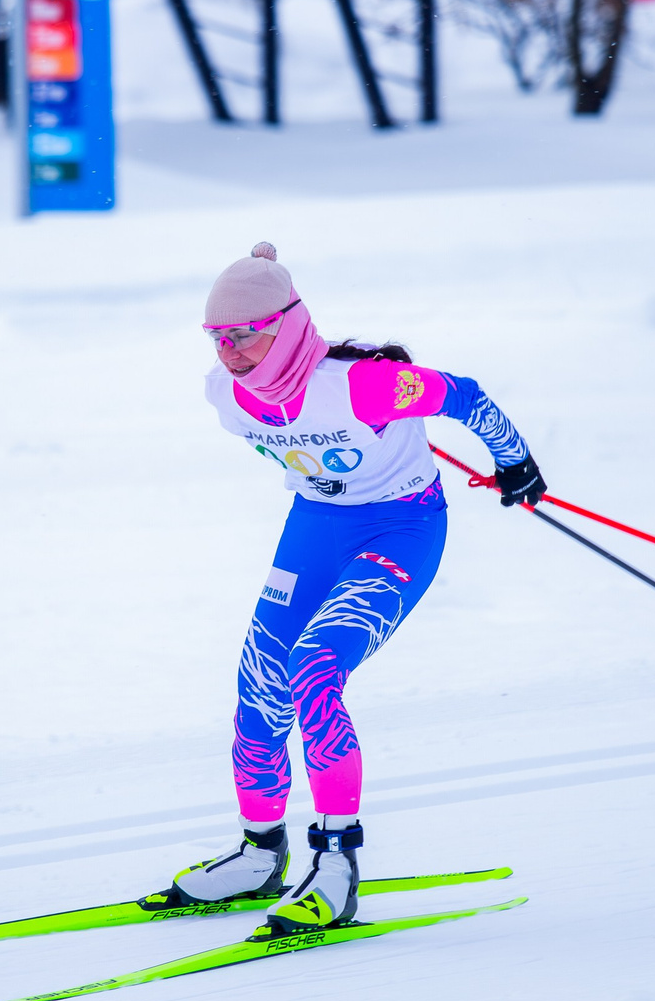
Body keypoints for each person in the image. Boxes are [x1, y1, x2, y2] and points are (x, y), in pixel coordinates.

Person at [141, 242, 543, 938]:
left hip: (400, 528)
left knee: (315, 667)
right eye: (217, 337)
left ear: (287, 327)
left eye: (245, 335)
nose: (230, 353)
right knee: (261, 676)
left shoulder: (368, 386)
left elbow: (466, 396)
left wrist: (515, 462)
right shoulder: (225, 393)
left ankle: (336, 865)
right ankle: (260, 853)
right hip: (317, 527)